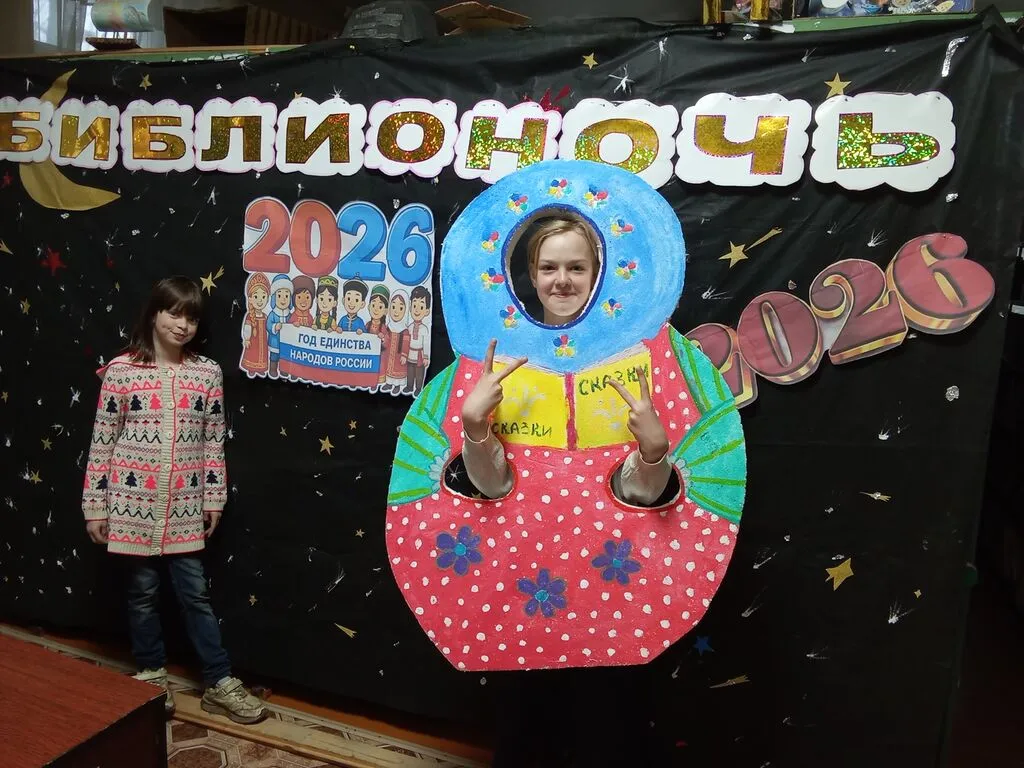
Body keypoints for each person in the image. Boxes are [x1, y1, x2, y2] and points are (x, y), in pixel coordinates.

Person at [82, 276, 267, 725]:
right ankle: (151, 676)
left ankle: (219, 681)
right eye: (174, 313)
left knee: (195, 595)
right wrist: (96, 506)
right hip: (130, 504)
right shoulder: (122, 372)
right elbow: (103, 443)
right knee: (142, 594)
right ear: (154, 313)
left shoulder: (206, 373)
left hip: (185, 505)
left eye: (192, 318)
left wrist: (213, 498)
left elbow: (212, 442)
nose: (183, 325)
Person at [461, 216, 672, 506]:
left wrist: (653, 453)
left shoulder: (630, 361)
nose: (562, 280)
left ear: (597, 275)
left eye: (576, 268)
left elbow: (638, 495)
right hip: (524, 527)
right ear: (533, 275)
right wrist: (474, 426)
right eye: (549, 268)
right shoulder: (500, 365)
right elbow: (494, 486)